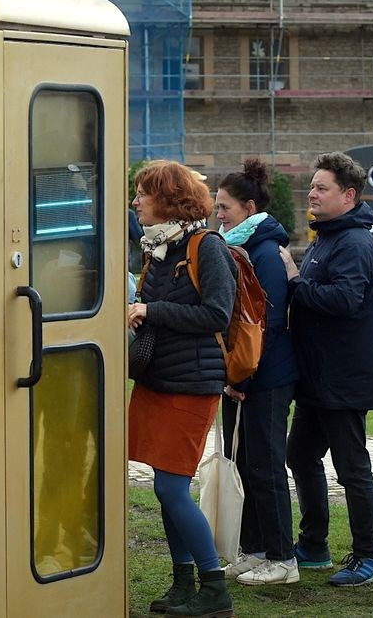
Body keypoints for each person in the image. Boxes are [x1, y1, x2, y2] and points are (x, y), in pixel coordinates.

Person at [128, 160, 236, 617]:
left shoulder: (204, 246)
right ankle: (182, 582)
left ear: (169, 199)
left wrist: (150, 312)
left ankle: (214, 591)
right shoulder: (157, 248)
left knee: (172, 489)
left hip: (192, 385)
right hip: (159, 379)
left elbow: (217, 314)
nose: (135, 202)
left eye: (143, 194)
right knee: (163, 486)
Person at [277, 151, 373, 587]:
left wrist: (294, 281)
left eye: (322, 187)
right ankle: (315, 544)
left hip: (343, 376)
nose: (312, 193)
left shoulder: (355, 242)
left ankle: (369, 556)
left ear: (349, 195)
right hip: (317, 374)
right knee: (300, 454)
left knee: (352, 466)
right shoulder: (329, 236)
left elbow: (345, 300)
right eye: (313, 185)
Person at [213, 158, 300, 587]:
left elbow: (261, 324)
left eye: (225, 207)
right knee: (244, 464)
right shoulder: (239, 248)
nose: (219, 214)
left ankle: (284, 558)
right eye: (216, 207)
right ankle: (255, 549)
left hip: (264, 377)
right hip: (243, 376)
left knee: (266, 466)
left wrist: (241, 379)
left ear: (248, 207)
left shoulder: (264, 252)